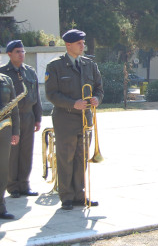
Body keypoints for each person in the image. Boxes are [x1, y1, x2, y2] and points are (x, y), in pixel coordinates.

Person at [45, 29, 103, 210]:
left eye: (83, 42)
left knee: (82, 157)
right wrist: (72, 103)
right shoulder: (55, 66)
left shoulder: (89, 64)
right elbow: (51, 94)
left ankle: (80, 194)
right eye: (79, 43)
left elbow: (99, 88)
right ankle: (67, 196)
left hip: (85, 118)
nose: (82, 45)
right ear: (68, 45)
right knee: (66, 158)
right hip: (65, 118)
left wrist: (97, 99)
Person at [0, 40, 42, 199]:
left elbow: (36, 96)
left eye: (23, 51)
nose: (21, 54)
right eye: (17, 51)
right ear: (9, 54)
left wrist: (38, 118)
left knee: (26, 151)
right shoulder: (3, 73)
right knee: (12, 152)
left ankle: (24, 184)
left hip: (28, 115)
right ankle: (12, 186)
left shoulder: (30, 72)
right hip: (10, 117)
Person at [0, 73, 20, 220]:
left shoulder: (6, 79)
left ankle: (1, 207)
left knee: (2, 170)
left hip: (4, 129)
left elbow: (14, 107)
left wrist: (15, 131)